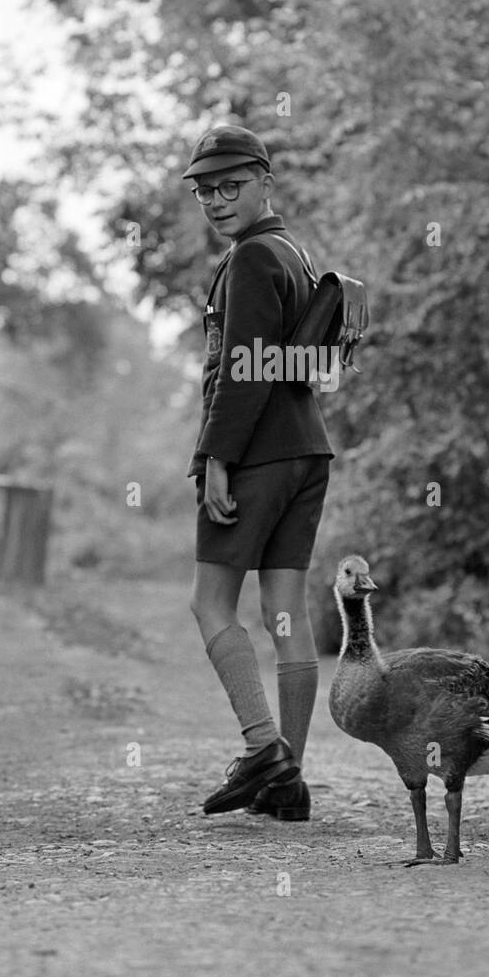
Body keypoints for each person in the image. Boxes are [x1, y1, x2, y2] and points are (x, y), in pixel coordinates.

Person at [184, 123, 333, 821]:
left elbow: (240, 372)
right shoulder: (294, 254)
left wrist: (216, 458)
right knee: (283, 612)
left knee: (210, 603)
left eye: (231, 186)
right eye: (207, 190)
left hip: (260, 454)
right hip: (308, 451)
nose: (217, 201)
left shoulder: (249, 259)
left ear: (265, 182)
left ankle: (264, 749)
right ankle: (288, 784)